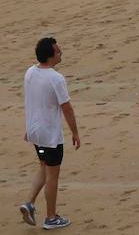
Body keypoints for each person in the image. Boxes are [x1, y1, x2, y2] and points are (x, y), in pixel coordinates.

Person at [20, 36, 80, 231]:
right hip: (50, 137)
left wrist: (28, 128)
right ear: (50, 56)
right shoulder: (56, 78)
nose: (60, 52)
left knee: (44, 167)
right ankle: (51, 217)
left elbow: (30, 100)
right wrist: (75, 133)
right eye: (57, 51)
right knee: (53, 175)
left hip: (35, 134)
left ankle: (29, 203)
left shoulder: (30, 72)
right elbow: (67, 109)